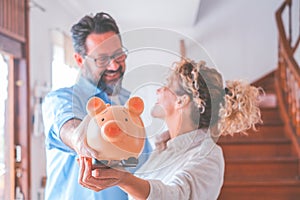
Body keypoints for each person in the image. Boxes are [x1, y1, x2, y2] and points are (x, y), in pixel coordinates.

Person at [78, 59, 263, 200]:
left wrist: (124, 179)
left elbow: (175, 195)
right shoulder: (162, 149)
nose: (159, 91)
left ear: (181, 100)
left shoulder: (207, 154)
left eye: (166, 87)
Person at [42, 12, 151, 200]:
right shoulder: (62, 99)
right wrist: (79, 139)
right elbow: (66, 125)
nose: (114, 66)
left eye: (119, 56)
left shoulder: (127, 102)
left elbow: (141, 163)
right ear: (79, 60)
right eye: (102, 59)